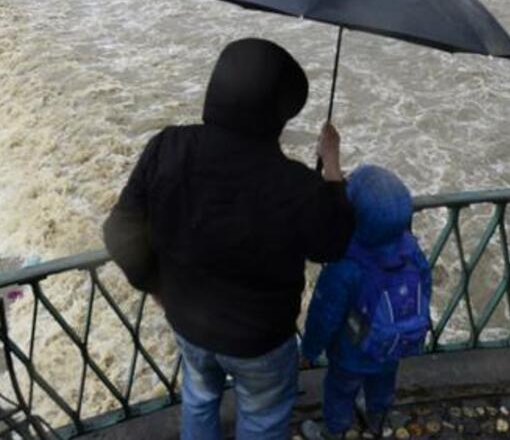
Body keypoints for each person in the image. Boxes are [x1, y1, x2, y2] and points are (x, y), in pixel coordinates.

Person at [103, 38, 356, 440]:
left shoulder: (167, 146)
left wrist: (157, 287)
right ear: (277, 114)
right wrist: (331, 169)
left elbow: (118, 232)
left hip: (188, 321)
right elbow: (333, 244)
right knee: (262, 417)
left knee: (199, 398)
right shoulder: (295, 185)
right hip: (261, 341)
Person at [299, 165, 431, 440]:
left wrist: (310, 350)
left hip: (351, 354)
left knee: (339, 391)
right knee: (382, 385)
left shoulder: (346, 266)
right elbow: (424, 290)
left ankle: (334, 431)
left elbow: (325, 314)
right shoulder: (412, 251)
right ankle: (376, 420)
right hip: (392, 345)